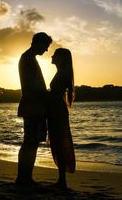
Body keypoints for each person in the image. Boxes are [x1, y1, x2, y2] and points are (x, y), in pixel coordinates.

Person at [15, 32, 53, 187]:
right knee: (30, 143)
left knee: (31, 143)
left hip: (33, 106)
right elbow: (32, 86)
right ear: (38, 43)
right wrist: (47, 94)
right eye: (45, 46)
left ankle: (24, 178)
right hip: (33, 106)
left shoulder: (29, 58)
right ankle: (23, 178)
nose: (46, 50)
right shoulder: (28, 59)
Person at [47, 48, 76, 189]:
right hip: (57, 109)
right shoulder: (62, 73)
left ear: (61, 58)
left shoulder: (62, 73)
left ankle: (62, 181)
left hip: (57, 110)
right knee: (58, 142)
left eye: (55, 55)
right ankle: (61, 180)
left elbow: (54, 94)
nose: (52, 56)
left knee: (59, 142)